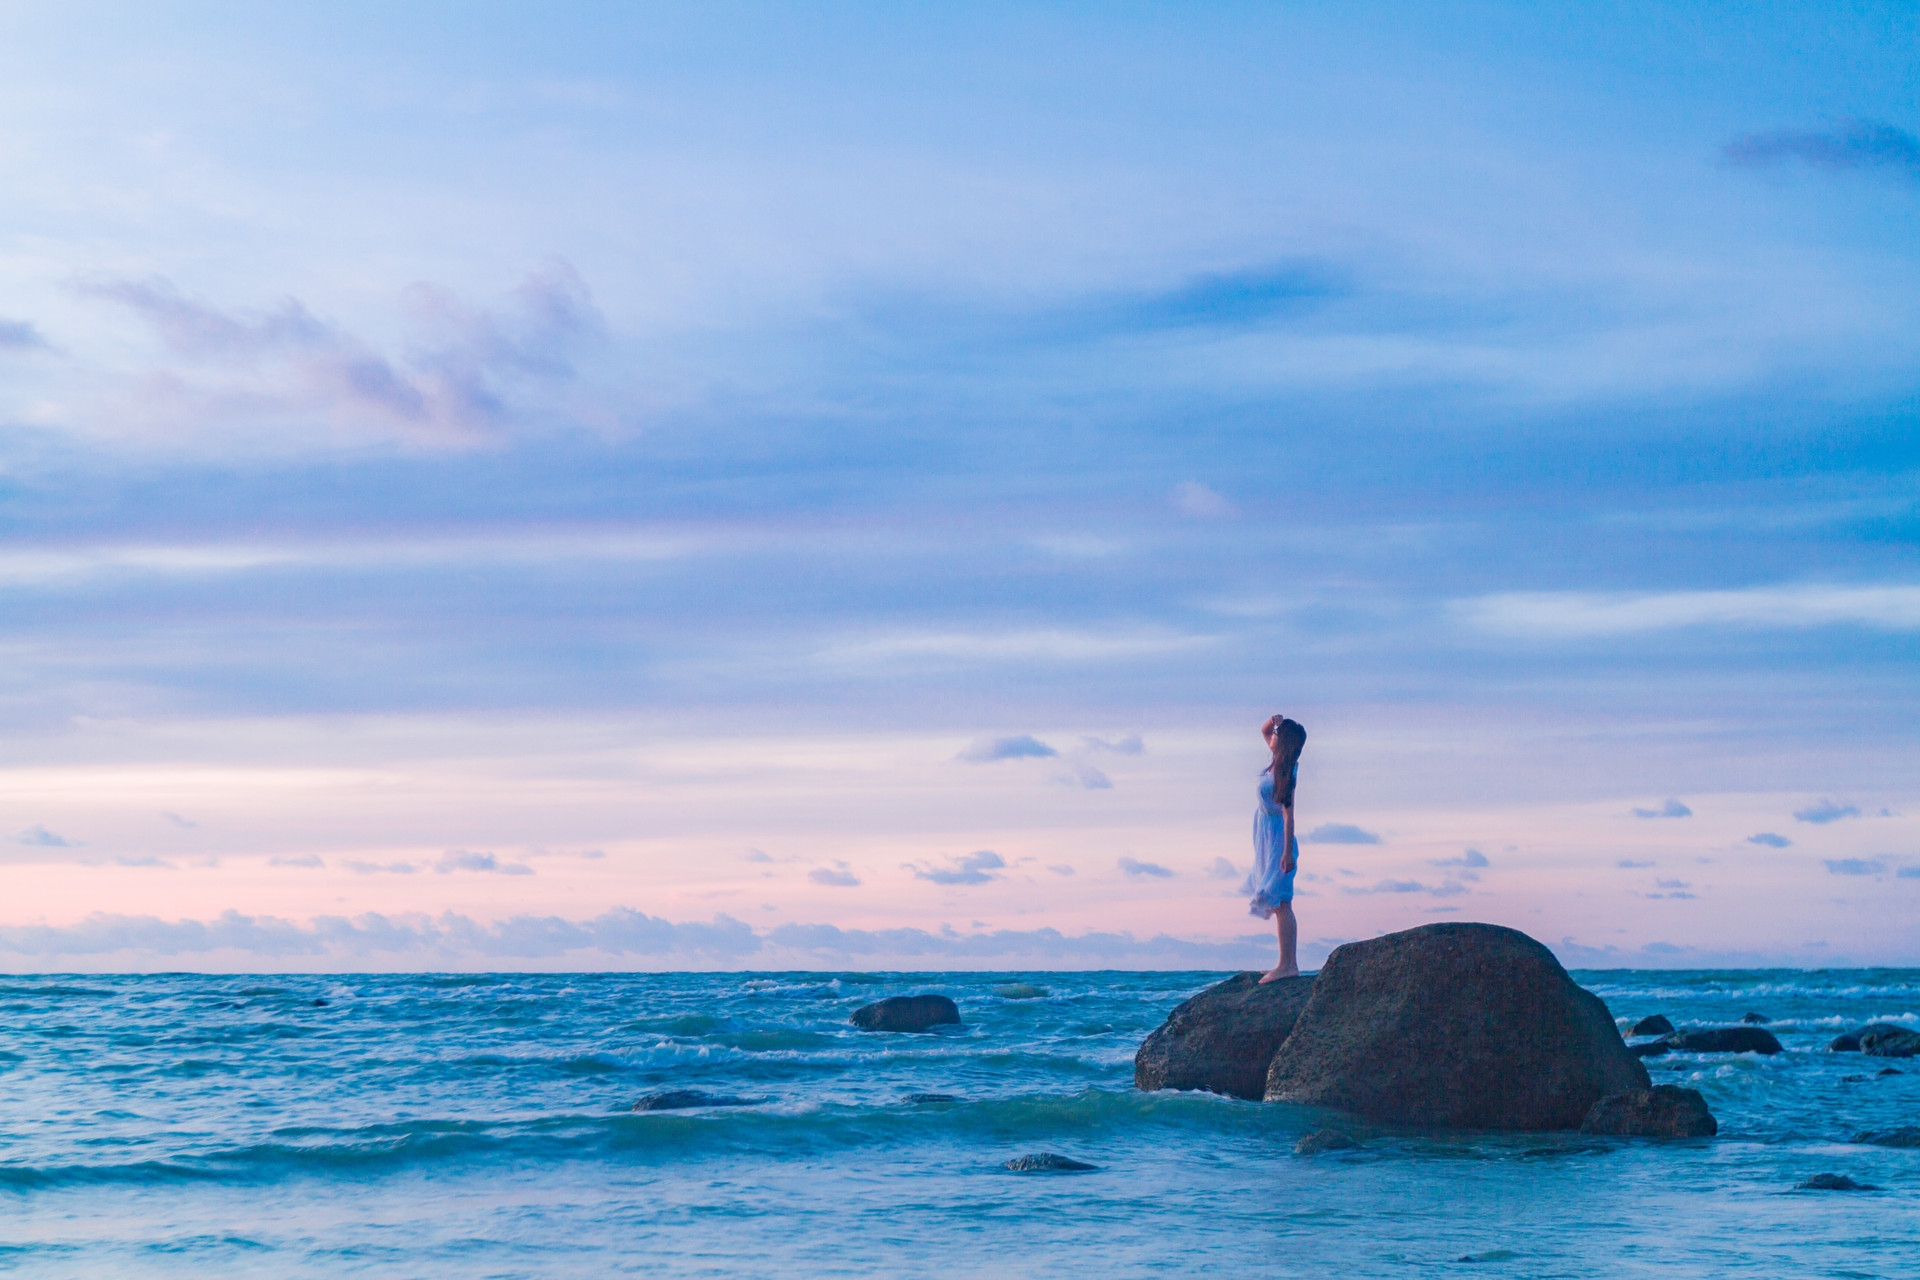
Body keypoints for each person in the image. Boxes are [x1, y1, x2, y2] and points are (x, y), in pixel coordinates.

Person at [1245, 713, 1306, 982]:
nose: (1274, 735)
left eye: (1279, 733)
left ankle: (1287, 965)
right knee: (1280, 902)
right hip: (1266, 836)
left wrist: (1285, 853)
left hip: (1278, 838)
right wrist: (1273, 721)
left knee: (1282, 902)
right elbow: (1264, 731)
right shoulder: (1276, 764)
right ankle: (1285, 963)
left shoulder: (1287, 771)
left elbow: (1289, 814)